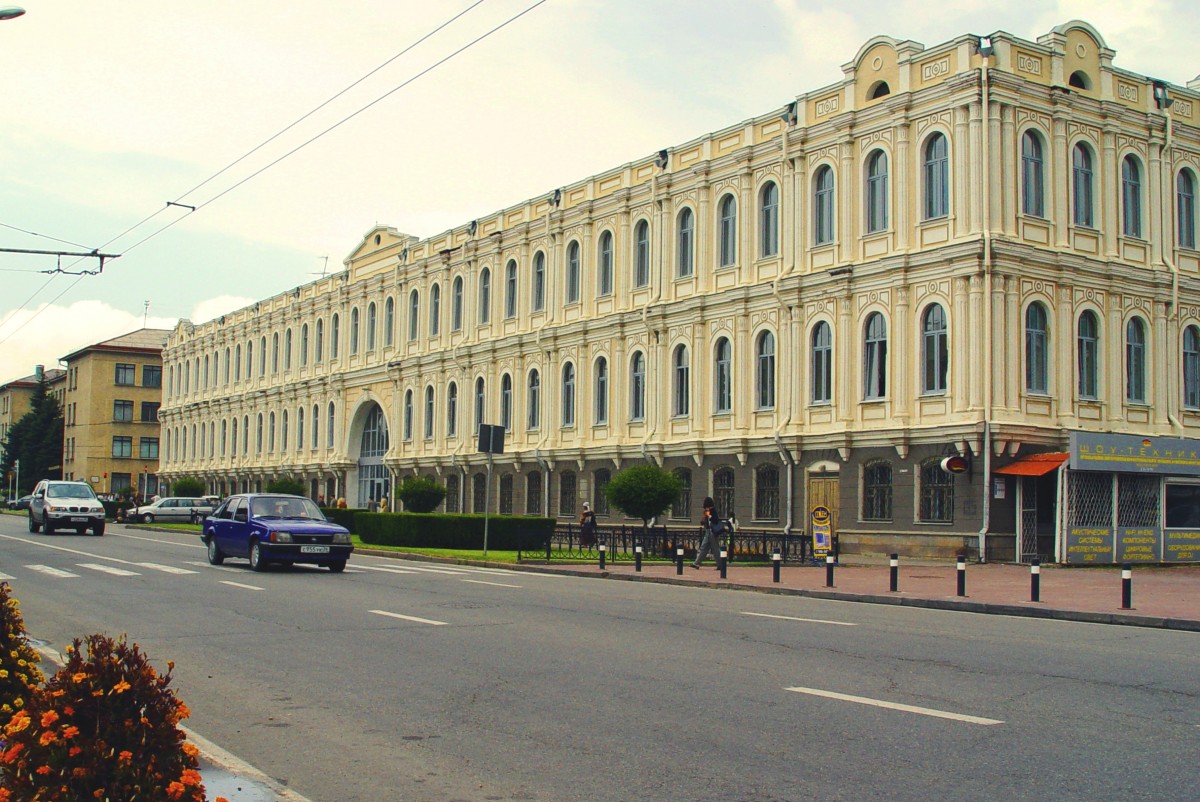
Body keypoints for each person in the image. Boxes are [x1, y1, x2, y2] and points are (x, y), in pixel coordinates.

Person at [692, 496, 726, 569]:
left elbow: (715, 520)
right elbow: (705, 521)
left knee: (715, 548)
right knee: (703, 547)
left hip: (712, 532)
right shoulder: (707, 511)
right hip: (708, 531)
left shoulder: (713, 511)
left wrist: (709, 515)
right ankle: (696, 563)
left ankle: (721, 564)